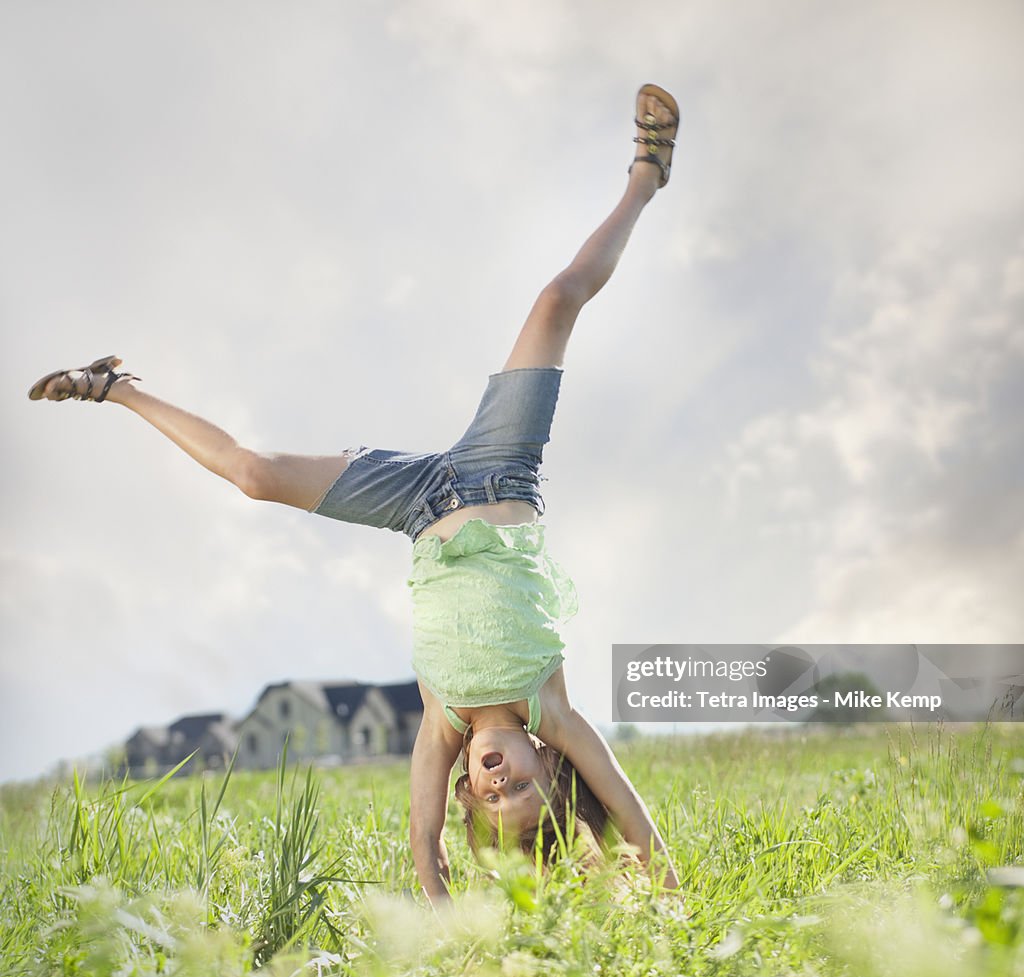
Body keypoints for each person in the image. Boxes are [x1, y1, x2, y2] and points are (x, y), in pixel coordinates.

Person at [28, 84, 682, 905]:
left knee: (255, 475)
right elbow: (628, 808)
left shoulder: (441, 725)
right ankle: (644, 180)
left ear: (465, 795)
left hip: (415, 504)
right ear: (551, 765)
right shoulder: (549, 710)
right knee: (555, 301)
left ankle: (113, 386)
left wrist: (442, 908)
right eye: (522, 788)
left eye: (488, 798)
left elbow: (424, 846)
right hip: (500, 469)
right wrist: (665, 888)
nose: (497, 782)